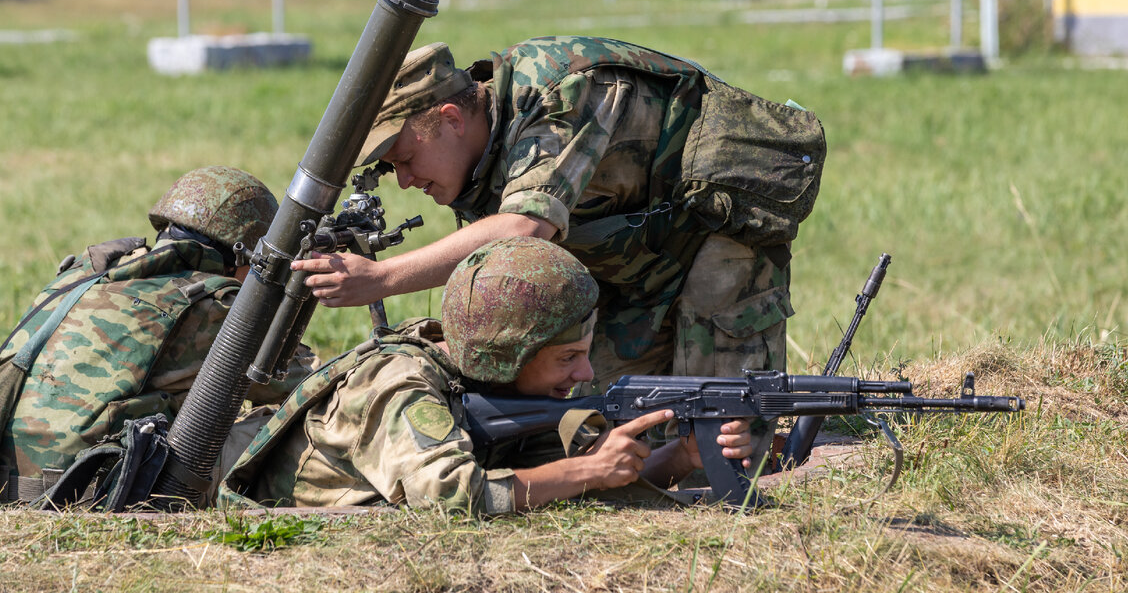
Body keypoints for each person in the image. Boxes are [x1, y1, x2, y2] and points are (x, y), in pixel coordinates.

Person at [292, 37, 824, 470]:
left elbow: (527, 226)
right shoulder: (477, 166)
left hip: (715, 239)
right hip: (630, 271)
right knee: (613, 437)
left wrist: (380, 279)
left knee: (724, 447)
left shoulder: (560, 93)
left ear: (452, 119)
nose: (405, 180)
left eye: (405, 158)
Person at [220, 236, 756, 513]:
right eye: (567, 357)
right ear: (505, 354)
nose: (586, 372)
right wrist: (585, 472)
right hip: (206, 481)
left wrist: (682, 457)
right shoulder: (400, 382)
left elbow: (577, 485)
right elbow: (449, 496)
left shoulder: (503, 388)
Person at [0, 166, 317, 504]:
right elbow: (304, 386)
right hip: (92, 496)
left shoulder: (85, 274)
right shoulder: (213, 308)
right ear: (240, 254)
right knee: (291, 430)